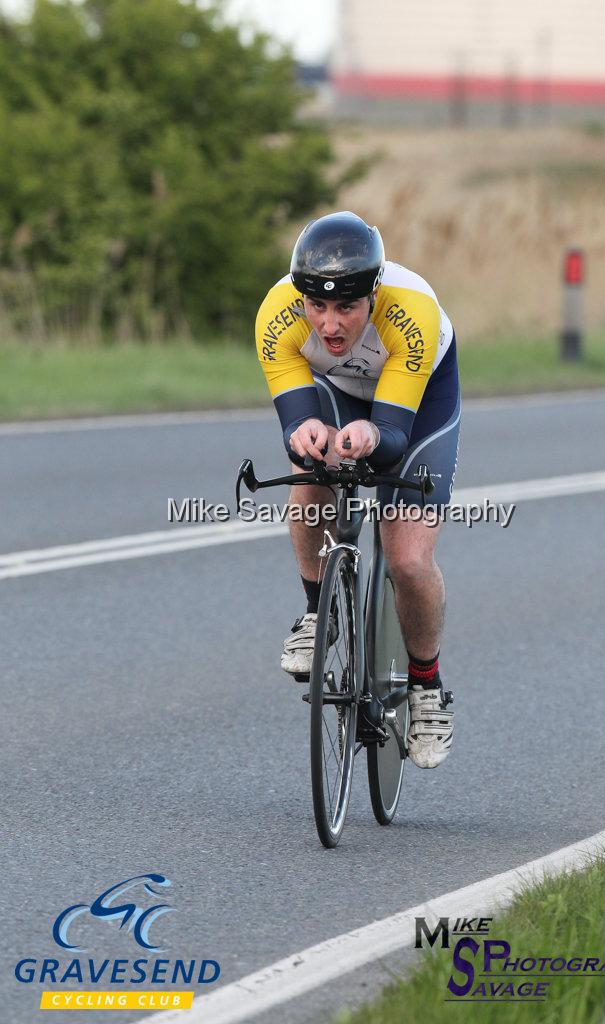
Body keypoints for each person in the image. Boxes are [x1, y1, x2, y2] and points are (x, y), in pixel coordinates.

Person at [254, 211, 460, 769]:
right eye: (316, 306)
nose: (329, 324)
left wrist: (369, 434)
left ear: (372, 295)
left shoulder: (410, 312)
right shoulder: (277, 317)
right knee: (312, 472)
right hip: (341, 388)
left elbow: (391, 438)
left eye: (346, 306)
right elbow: (294, 424)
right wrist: (306, 435)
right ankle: (317, 612)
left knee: (409, 559)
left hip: (417, 400)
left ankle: (426, 685)